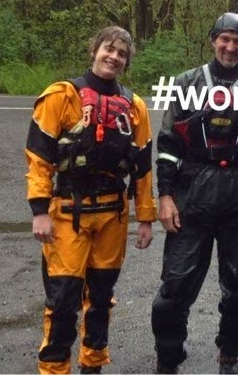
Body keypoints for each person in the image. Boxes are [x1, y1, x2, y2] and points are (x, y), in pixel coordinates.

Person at [152, 12, 238, 374]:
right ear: (213, 40)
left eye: (237, 41)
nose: (230, 47)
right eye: (224, 39)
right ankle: (168, 358)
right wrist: (165, 196)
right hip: (191, 191)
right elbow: (168, 145)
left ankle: (229, 354)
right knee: (175, 284)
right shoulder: (186, 82)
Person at [25, 26, 157, 374]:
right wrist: (39, 210)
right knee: (63, 301)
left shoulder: (134, 106)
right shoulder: (62, 96)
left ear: (127, 62)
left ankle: (92, 365)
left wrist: (145, 218)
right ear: (94, 49)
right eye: (108, 49)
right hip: (68, 212)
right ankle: (54, 369)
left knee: (101, 300)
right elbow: (39, 157)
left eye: (122, 53)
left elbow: (143, 168)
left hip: (113, 215)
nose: (114, 57)